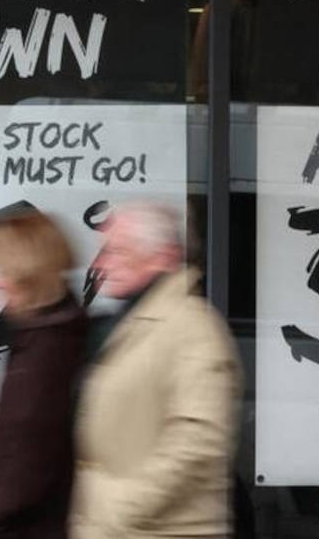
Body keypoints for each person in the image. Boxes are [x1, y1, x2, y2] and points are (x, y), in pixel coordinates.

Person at [69, 202, 242, 539]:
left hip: (155, 529)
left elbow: (199, 441)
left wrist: (123, 505)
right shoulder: (132, 322)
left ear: (161, 256)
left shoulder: (193, 328)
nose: (103, 264)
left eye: (118, 252)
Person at [0, 210, 87, 539]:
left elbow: (24, 465)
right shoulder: (61, 331)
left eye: (4, 271)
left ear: (30, 275)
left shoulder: (45, 351)